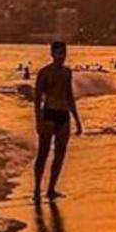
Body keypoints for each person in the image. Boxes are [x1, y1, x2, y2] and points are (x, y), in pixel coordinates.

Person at [33, 41, 83, 202]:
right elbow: (37, 99)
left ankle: (51, 189)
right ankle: (36, 188)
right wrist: (38, 121)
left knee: (60, 154)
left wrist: (77, 120)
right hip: (49, 114)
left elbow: (69, 96)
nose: (61, 56)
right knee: (43, 153)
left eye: (64, 53)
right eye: (59, 53)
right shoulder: (44, 73)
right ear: (52, 54)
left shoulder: (67, 72)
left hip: (63, 115)